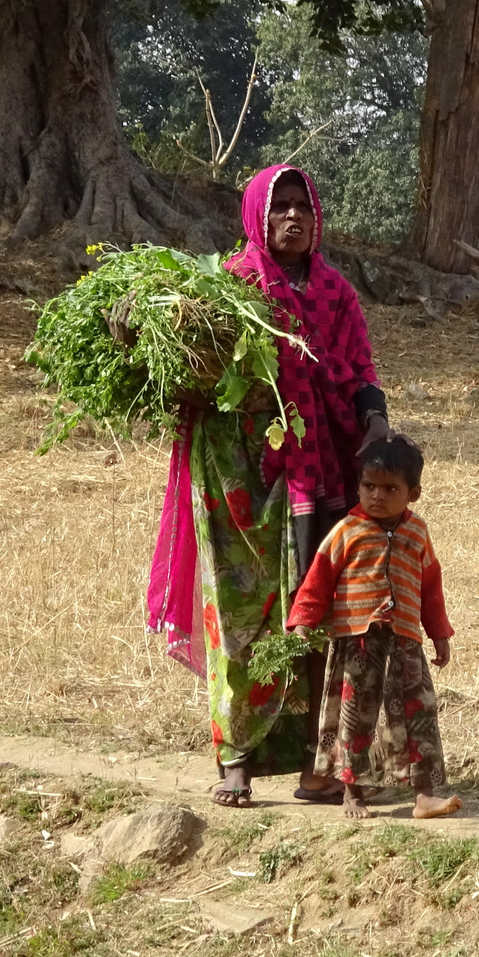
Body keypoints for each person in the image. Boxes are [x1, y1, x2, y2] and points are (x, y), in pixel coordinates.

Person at [146, 164, 400, 808]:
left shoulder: (337, 293)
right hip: (241, 475)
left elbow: (362, 367)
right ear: (257, 216)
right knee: (241, 615)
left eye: (302, 207)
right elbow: (195, 377)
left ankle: (319, 763)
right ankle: (236, 758)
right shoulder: (231, 289)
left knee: (321, 617)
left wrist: (375, 420)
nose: (293, 217)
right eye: (279, 207)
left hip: (326, 470)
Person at [286, 437, 462, 820]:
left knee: (420, 713)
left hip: (405, 640)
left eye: (390, 489)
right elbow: (317, 580)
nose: (377, 496)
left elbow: (430, 586)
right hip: (357, 641)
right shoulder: (347, 531)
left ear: (413, 493)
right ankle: (351, 793)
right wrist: (303, 622)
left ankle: (424, 795)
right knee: (354, 714)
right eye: (369, 486)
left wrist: (439, 632)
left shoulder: (417, 534)